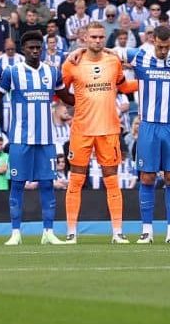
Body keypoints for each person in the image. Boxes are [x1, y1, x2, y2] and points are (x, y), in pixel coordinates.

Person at [59, 19, 138, 241]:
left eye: (101, 37)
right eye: (93, 37)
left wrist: (147, 82)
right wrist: (73, 104)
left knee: (112, 179)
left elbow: (124, 86)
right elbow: (58, 89)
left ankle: (117, 232)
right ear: (84, 38)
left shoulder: (114, 61)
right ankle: (71, 233)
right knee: (75, 180)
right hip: (81, 129)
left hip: (109, 129)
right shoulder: (71, 63)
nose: (97, 40)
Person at [0, 31, 67, 245]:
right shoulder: (12, 72)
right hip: (20, 139)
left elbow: (65, 96)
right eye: (31, 47)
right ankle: (16, 233)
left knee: (47, 184)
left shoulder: (53, 72)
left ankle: (48, 232)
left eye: (39, 47)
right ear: (23, 49)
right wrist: (0, 128)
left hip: (46, 140)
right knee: (17, 185)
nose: (36, 51)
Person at [125, 25, 170, 243]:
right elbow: (110, 52)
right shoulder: (140, 55)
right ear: (153, 40)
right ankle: (147, 230)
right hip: (148, 126)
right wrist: (79, 52)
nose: (163, 51)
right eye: (160, 46)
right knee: (147, 177)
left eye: (167, 47)